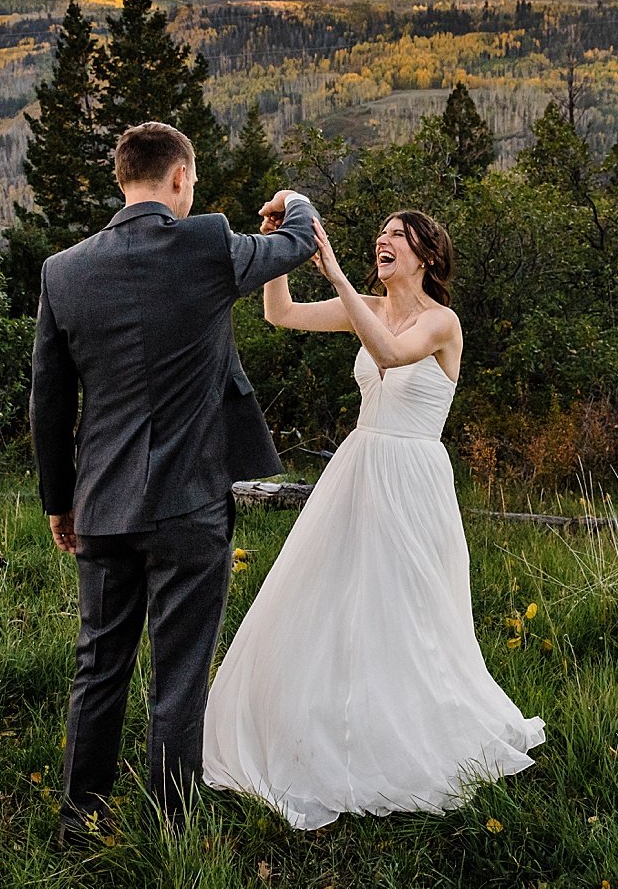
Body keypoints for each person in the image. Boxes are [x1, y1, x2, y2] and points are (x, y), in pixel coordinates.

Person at [202, 208, 544, 829]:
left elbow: (387, 354)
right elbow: (279, 315)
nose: (383, 241)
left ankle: (408, 731)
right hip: (357, 470)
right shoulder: (366, 305)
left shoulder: (442, 322)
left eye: (398, 235)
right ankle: (325, 725)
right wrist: (285, 245)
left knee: (407, 612)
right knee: (329, 600)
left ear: (427, 256)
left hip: (413, 478)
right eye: (380, 234)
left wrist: (332, 274)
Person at [30, 120, 319, 836]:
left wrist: (58, 501)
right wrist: (297, 200)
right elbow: (296, 244)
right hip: (190, 506)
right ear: (181, 178)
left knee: (99, 665)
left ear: (121, 178)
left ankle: (81, 816)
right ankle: (171, 828)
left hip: (101, 505)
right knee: (179, 679)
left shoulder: (63, 271)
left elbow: (48, 400)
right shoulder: (207, 244)